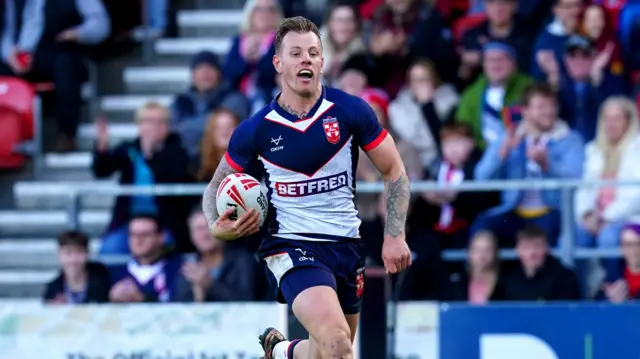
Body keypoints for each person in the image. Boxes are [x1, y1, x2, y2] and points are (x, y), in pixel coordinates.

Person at [201, 16, 412, 359]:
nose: (306, 60)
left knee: (326, 351)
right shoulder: (256, 129)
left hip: (347, 245)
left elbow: (395, 170)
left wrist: (395, 234)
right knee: (338, 344)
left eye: (313, 52)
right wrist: (216, 225)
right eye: (296, 53)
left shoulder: (350, 110)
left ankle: (281, 351)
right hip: (292, 246)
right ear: (278, 63)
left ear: (322, 61)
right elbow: (214, 190)